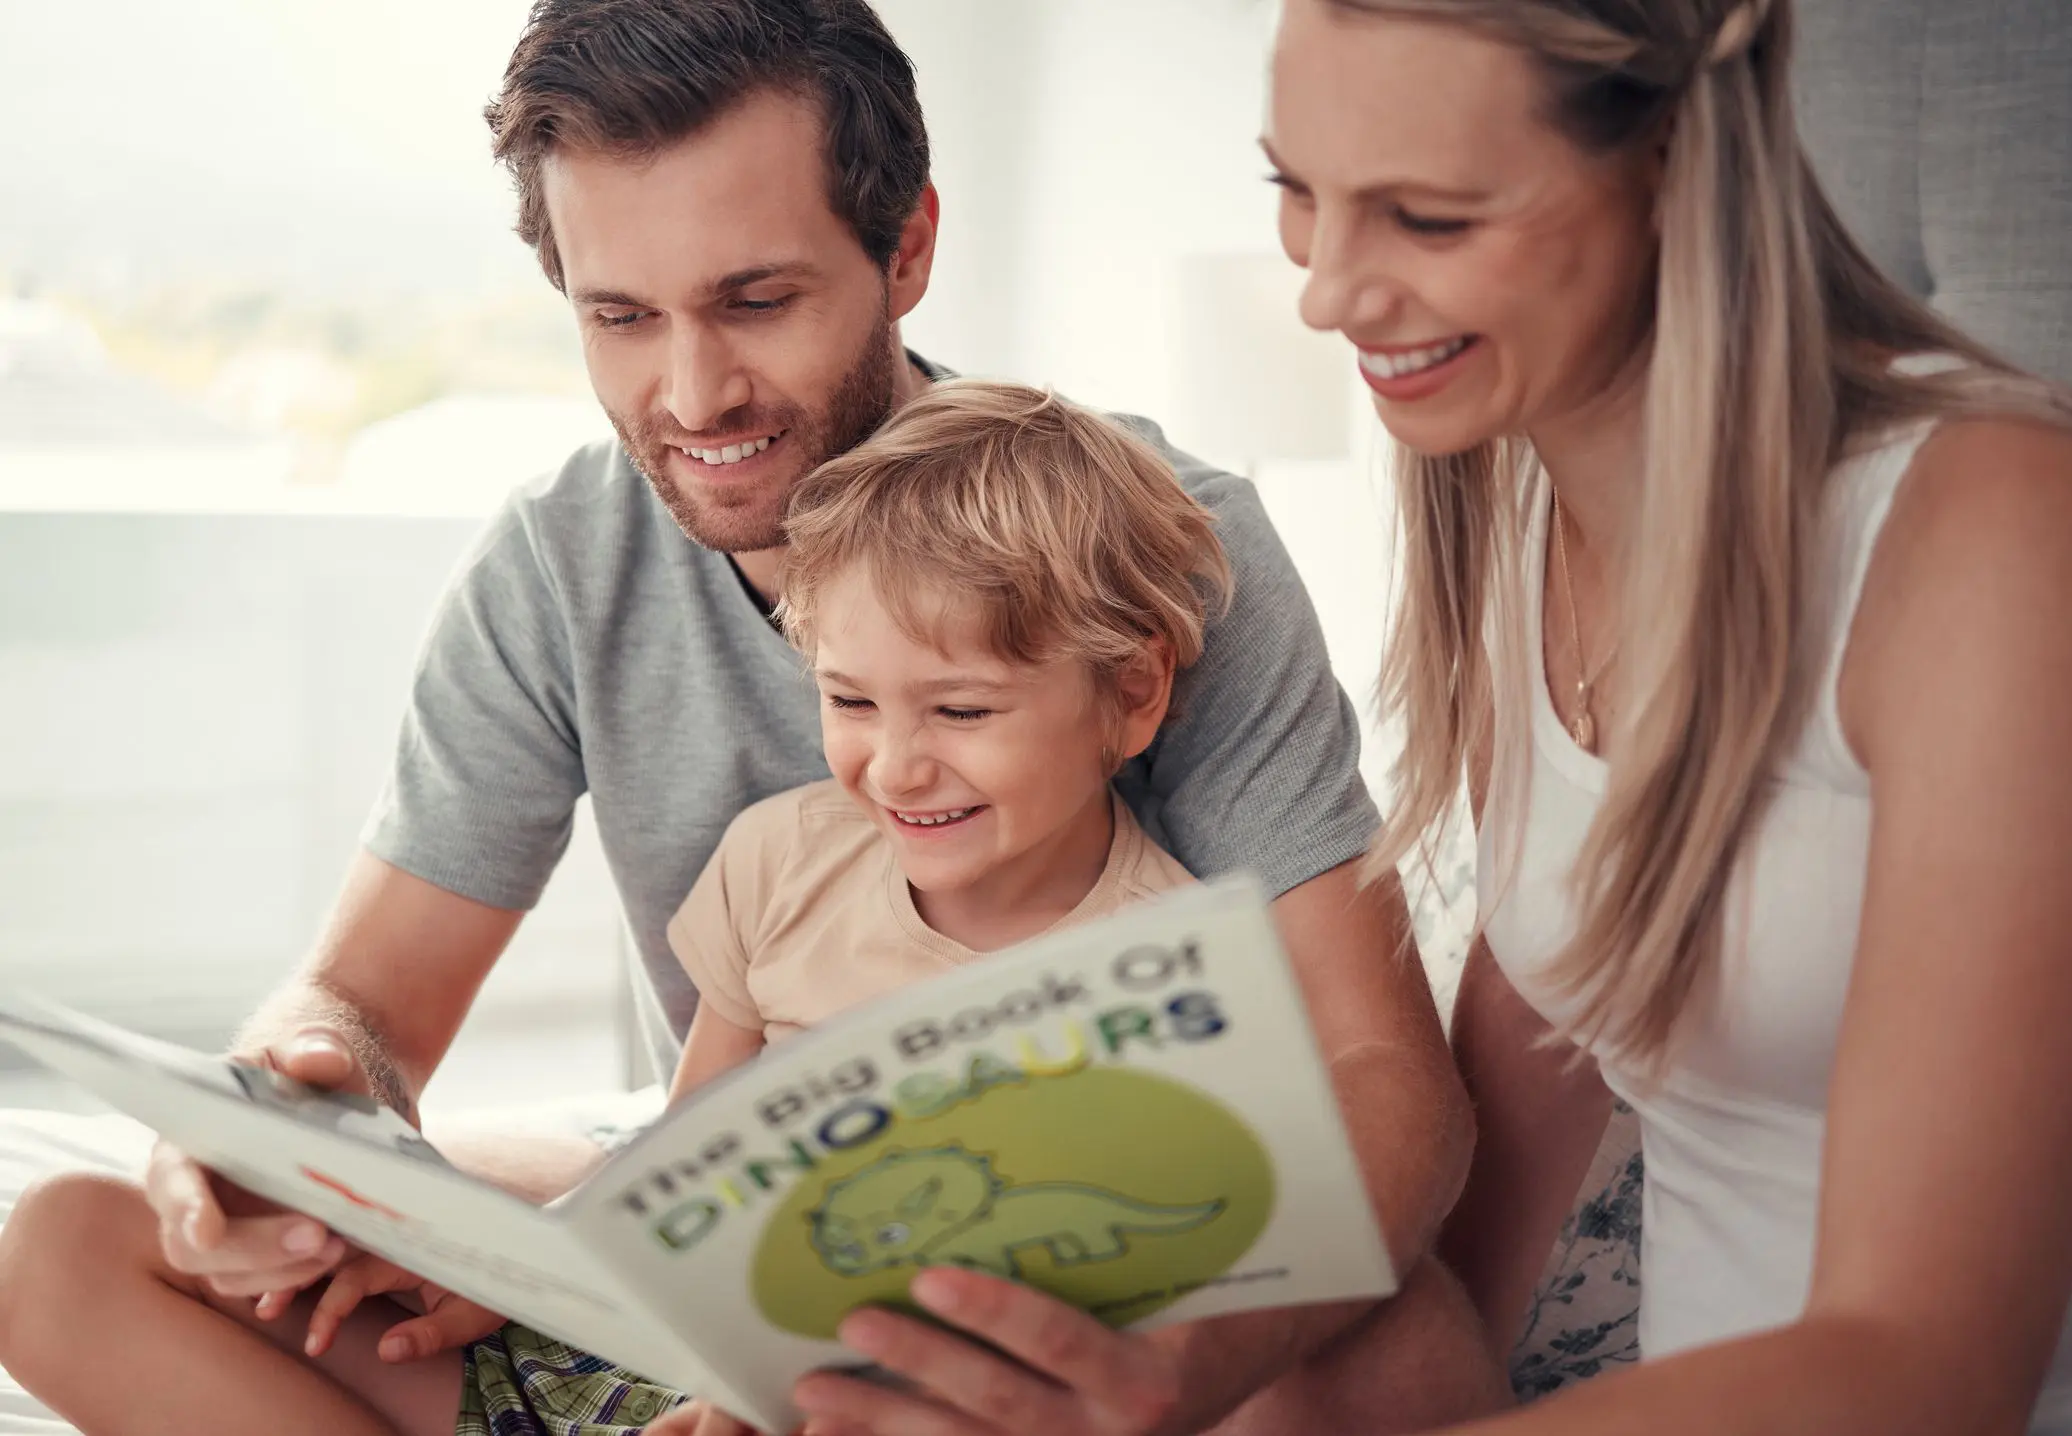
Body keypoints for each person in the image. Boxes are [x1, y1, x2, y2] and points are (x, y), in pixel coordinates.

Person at [0, 2, 1484, 1434]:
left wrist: (1163, 1375)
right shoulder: (560, 562)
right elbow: (362, 1010)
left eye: (756, 302)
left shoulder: (1156, 542)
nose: (693, 392)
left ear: (905, 250)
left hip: (1038, 1251)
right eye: (621, 318)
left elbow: (1383, 1077)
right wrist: (278, 1115)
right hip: (738, 1222)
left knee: (1388, 1341)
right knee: (71, 1241)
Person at [1234, 0, 2072, 1432]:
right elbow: (1552, 991)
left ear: (1675, 169)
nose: (1326, 291)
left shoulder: (1995, 531)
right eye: (1295, 192)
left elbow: (1927, 1363)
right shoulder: (1511, 498)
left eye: (1428, 220)